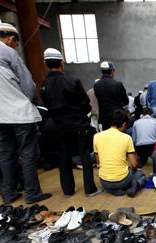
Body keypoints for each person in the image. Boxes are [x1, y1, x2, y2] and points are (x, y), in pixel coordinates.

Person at [0, 22, 51, 204]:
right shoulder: (8, 53)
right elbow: (29, 86)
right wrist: (31, 102)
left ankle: (8, 193)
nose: (15, 46)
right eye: (15, 43)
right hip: (19, 113)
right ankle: (33, 193)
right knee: (28, 153)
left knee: (6, 153)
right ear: (11, 38)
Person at [40, 48, 101, 198]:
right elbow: (85, 102)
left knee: (63, 157)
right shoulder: (72, 81)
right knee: (85, 156)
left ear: (45, 63)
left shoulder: (43, 85)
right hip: (78, 124)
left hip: (58, 126)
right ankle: (90, 189)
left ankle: (68, 190)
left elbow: (47, 105)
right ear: (62, 62)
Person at [93, 109, 146, 197]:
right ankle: (134, 186)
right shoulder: (126, 138)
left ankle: (114, 190)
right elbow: (134, 164)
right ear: (124, 124)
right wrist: (134, 168)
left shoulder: (97, 136)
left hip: (104, 181)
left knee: (112, 180)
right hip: (122, 180)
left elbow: (98, 162)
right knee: (141, 175)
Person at [94, 61, 129, 131]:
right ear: (112, 71)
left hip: (104, 118)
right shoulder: (117, 84)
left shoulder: (96, 85)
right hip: (118, 118)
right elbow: (126, 101)